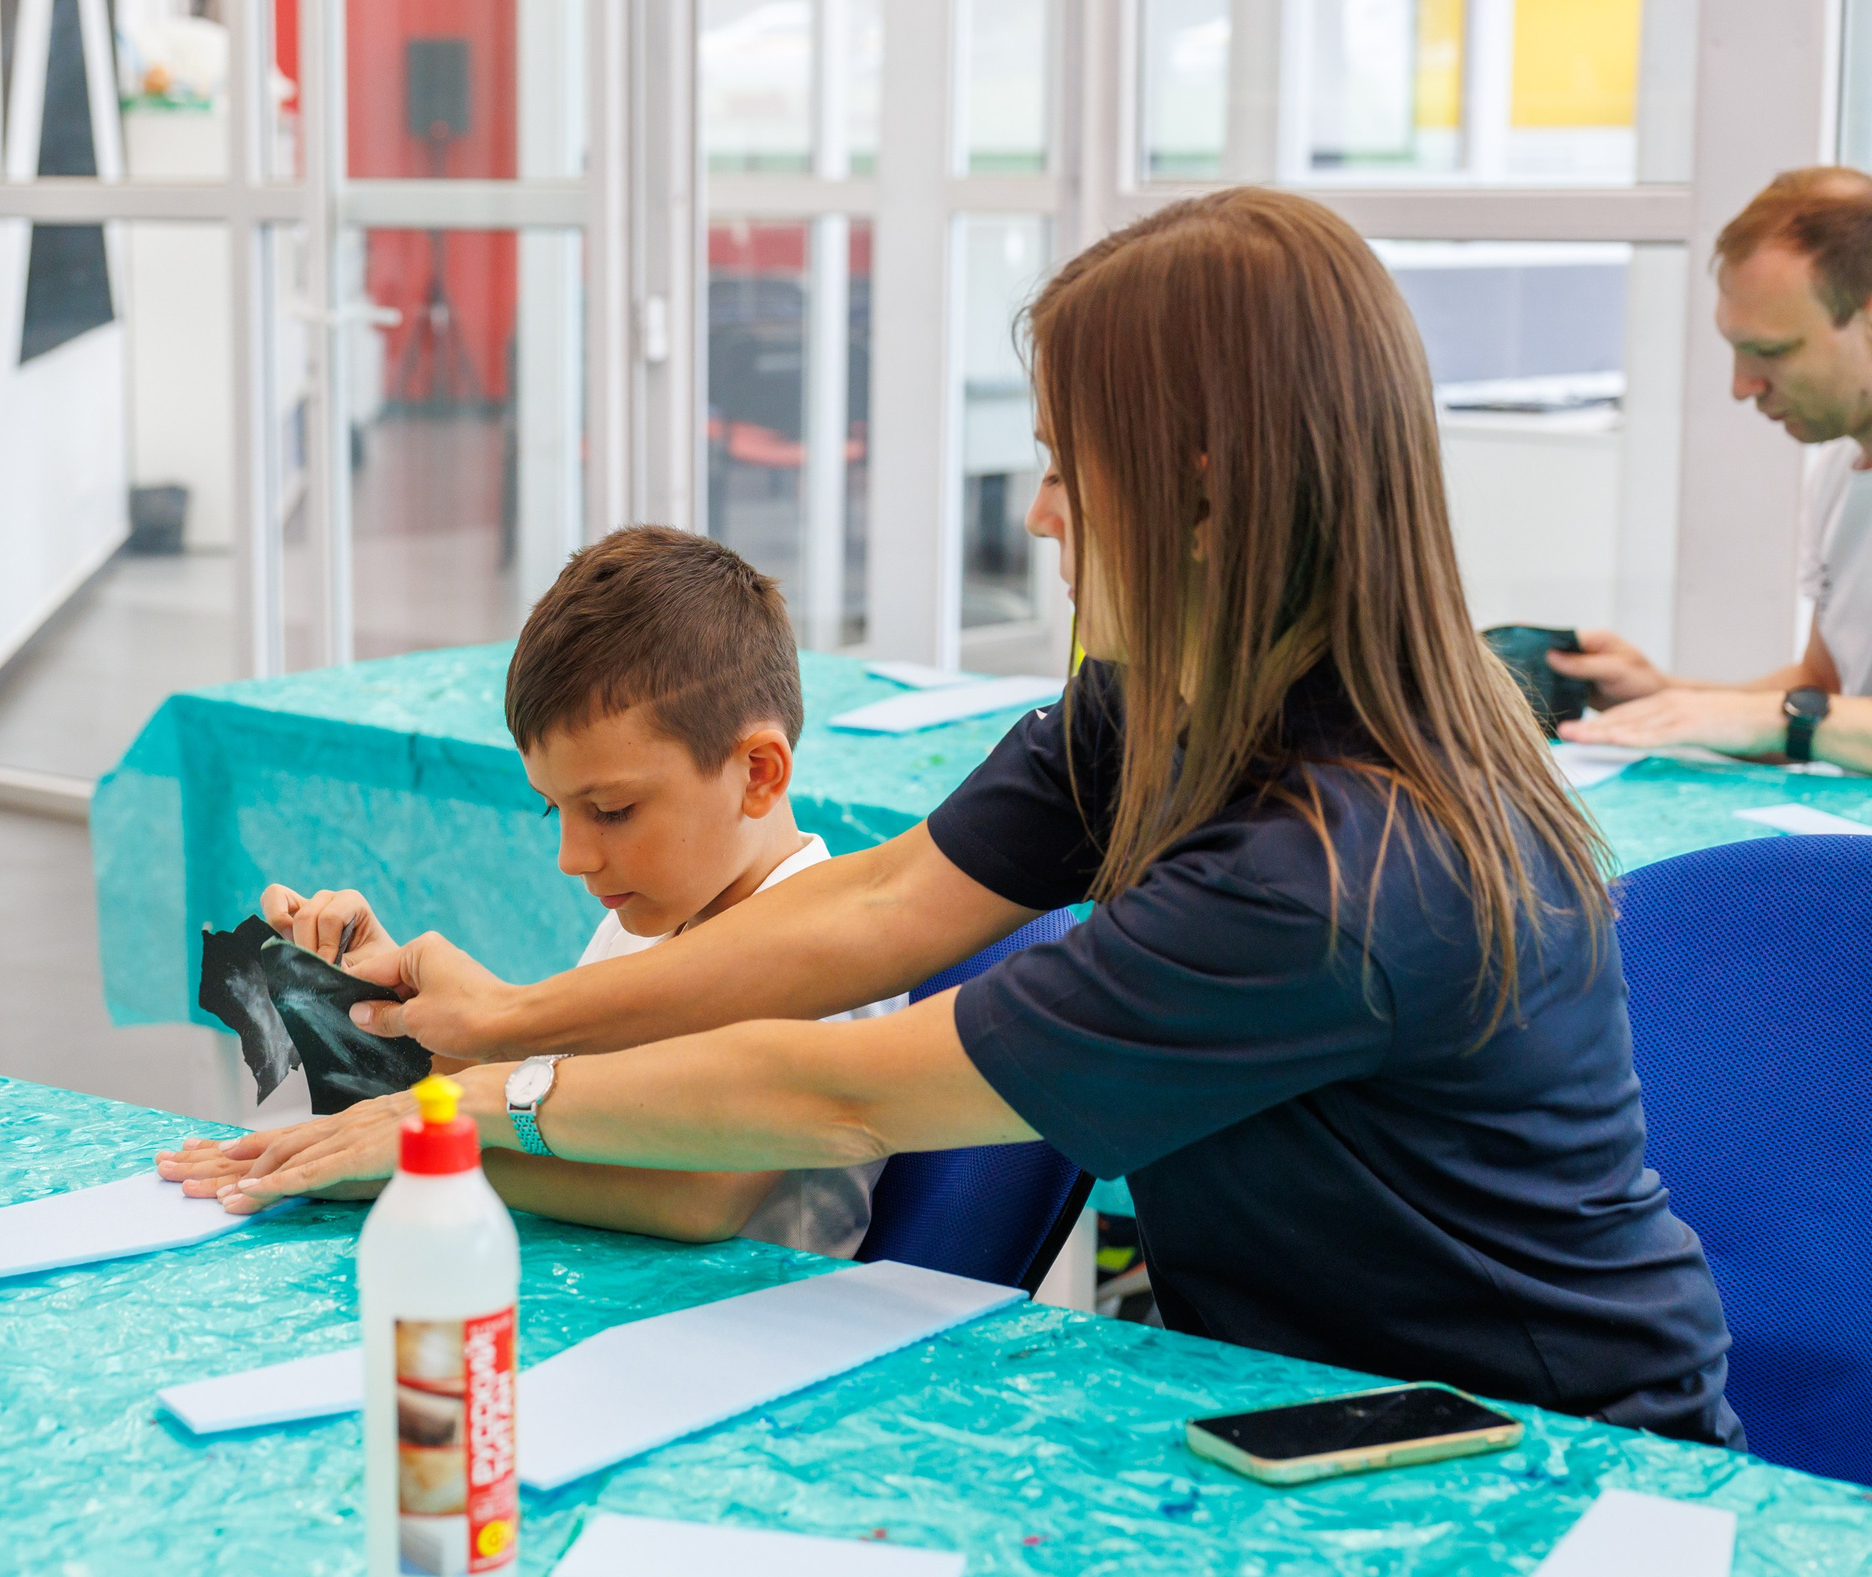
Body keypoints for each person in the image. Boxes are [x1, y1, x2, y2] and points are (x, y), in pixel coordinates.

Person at [174, 188, 1742, 1449]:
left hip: (1538, 1446)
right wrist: (517, 1012)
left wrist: (481, 1101)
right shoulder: (1170, 709)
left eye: (1068, 467)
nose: (1044, 512)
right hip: (1267, 1393)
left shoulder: (1335, 875)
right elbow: (874, 907)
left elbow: (843, 1089)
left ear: (1203, 490)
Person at [161, 526, 904, 1255]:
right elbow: (547, 1104)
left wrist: (425, 1154)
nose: (572, 857)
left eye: (612, 810)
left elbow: (699, 1192)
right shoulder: (652, 914)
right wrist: (399, 1016)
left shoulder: (831, 944)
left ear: (759, 773)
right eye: (557, 809)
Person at [1550, 167, 1872, 778]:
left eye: (1771, 352)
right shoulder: (1837, 473)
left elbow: (1808, 717)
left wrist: (1778, 718)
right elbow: (1825, 689)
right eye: (1736, 348)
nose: (1743, 386)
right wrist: (1667, 697)